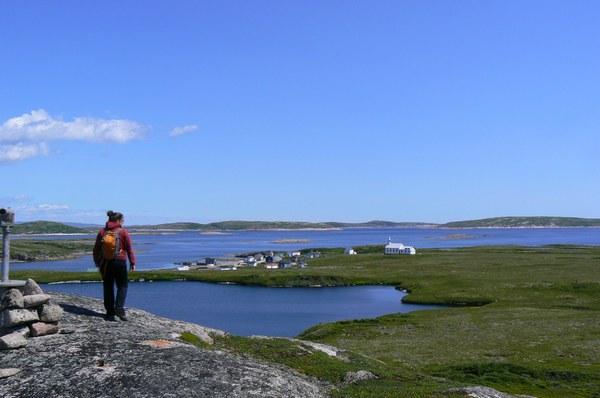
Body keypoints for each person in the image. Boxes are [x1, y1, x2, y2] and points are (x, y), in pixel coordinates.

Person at [93, 210, 136, 321]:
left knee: (108, 286)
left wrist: (97, 263)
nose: (123, 222)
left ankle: (109, 312)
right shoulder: (123, 232)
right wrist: (132, 263)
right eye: (122, 220)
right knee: (122, 286)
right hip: (119, 262)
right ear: (118, 221)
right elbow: (129, 249)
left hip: (105, 263)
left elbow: (96, 249)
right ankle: (119, 310)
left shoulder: (102, 231)